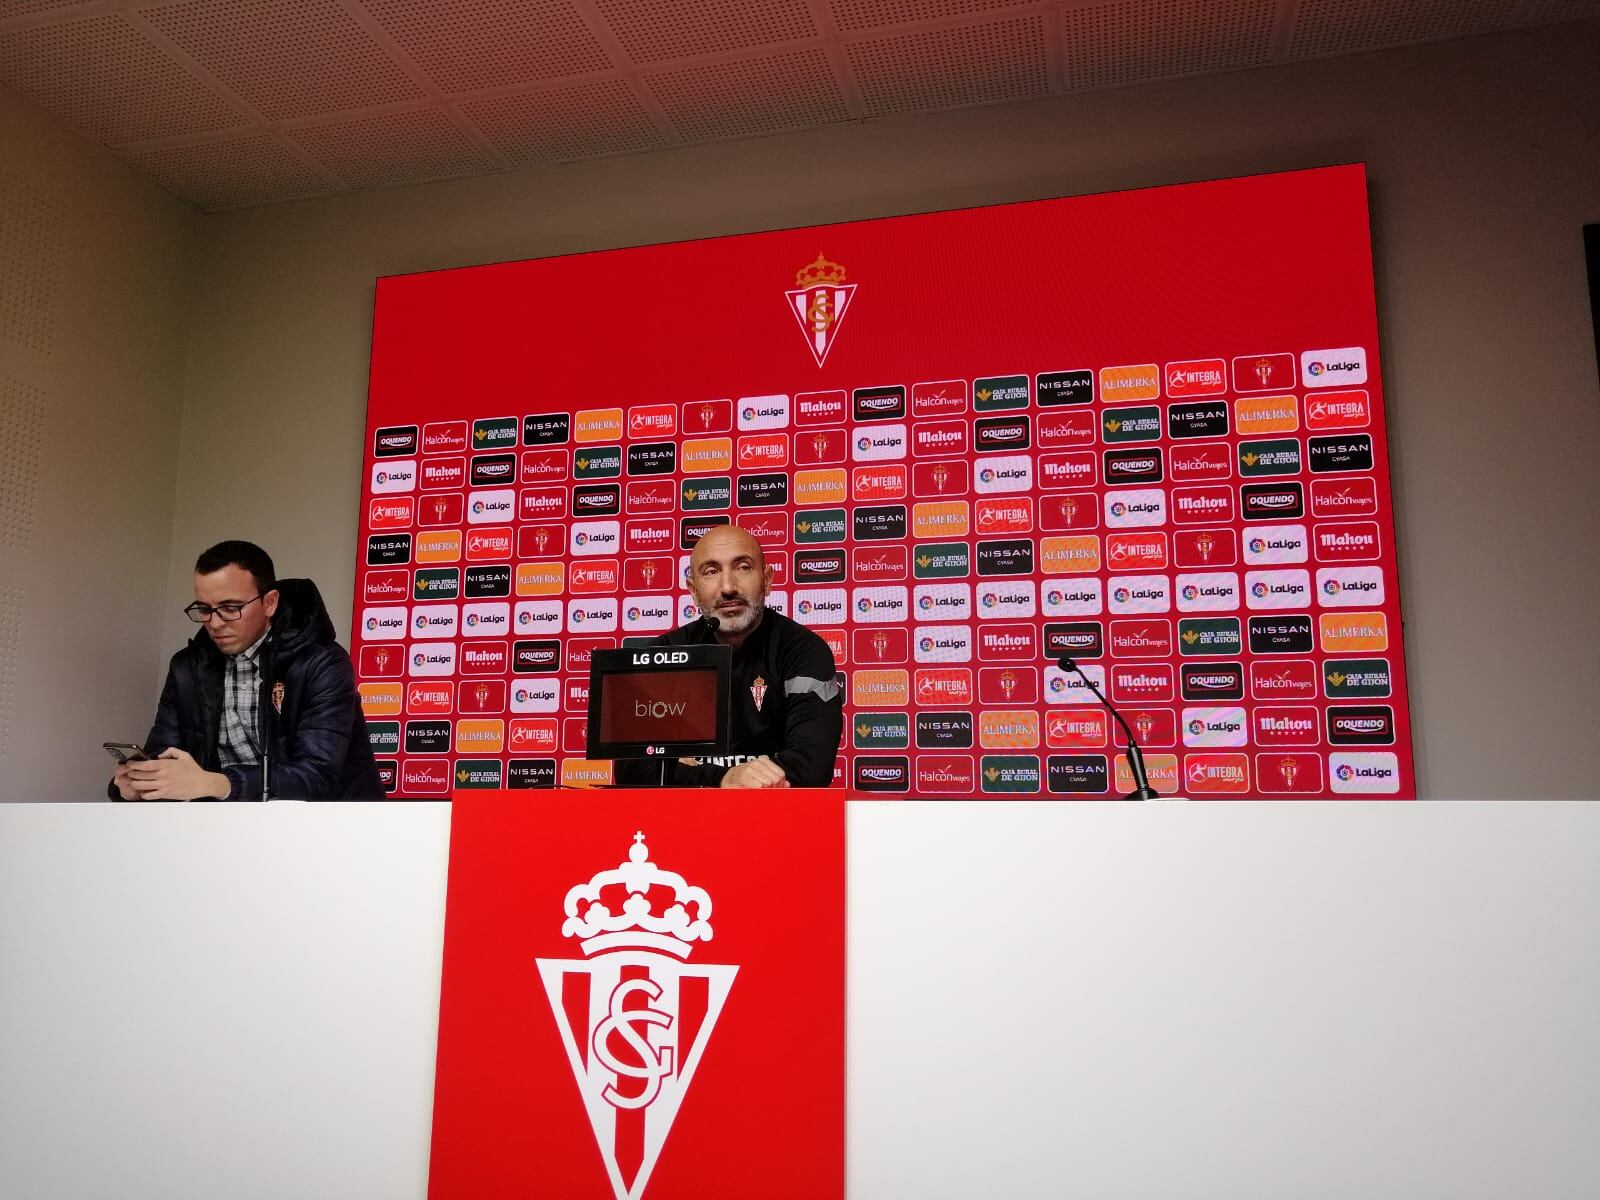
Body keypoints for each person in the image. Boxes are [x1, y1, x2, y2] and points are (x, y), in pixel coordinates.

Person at [110, 540, 382, 801]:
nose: (215, 623)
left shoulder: (323, 663)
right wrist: (138, 786)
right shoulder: (186, 668)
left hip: (328, 832)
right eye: (204, 609)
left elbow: (316, 777)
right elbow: (167, 762)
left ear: (270, 602)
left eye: (231, 608)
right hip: (222, 831)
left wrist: (217, 783)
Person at [616, 525, 842, 789]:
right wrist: (722, 778)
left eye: (743, 567)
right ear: (693, 589)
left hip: (773, 822)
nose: (727, 587)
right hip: (684, 823)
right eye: (711, 572)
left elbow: (812, 768)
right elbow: (631, 771)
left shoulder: (803, 650)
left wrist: (685, 773)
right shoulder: (662, 655)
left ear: (767, 579)